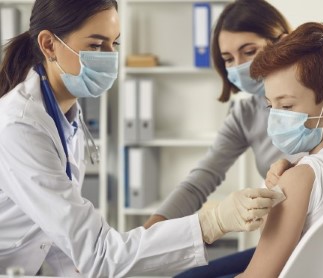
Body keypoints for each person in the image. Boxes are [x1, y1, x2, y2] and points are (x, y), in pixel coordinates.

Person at [0, 0, 283, 276]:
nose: (110, 57)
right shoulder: (21, 125)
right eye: (96, 46)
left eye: (114, 44)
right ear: (49, 45)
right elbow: (95, 252)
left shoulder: (64, 114)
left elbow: (62, 235)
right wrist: (212, 222)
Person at [148, 1, 323, 277]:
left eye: (248, 51)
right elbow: (200, 180)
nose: (240, 66)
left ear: (280, 44)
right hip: (308, 249)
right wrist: (146, 239)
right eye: (228, 59)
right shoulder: (246, 115)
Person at [236, 21, 323, 277]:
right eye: (270, 106)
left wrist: (293, 179)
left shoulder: (302, 178)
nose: (275, 118)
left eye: (286, 107)